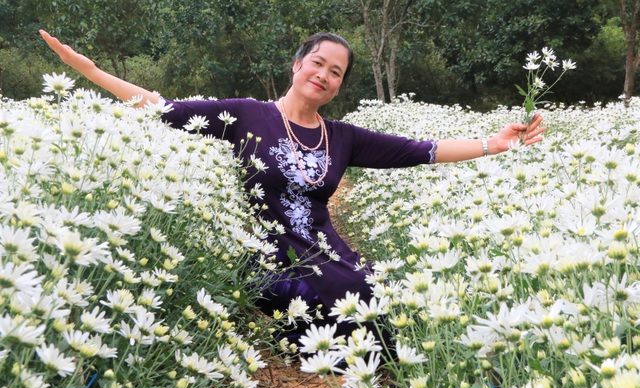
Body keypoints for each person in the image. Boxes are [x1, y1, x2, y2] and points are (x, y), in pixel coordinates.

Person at [40, 30, 546, 351]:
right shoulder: (245, 115)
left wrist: (494, 144)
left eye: (336, 72)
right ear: (298, 65)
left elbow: (422, 149)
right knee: (347, 298)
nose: (324, 75)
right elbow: (162, 108)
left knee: (387, 296)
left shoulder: (343, 136)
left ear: (340, 85)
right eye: (318, 63)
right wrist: (89, 71)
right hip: (269, 257)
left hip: (328, 248)